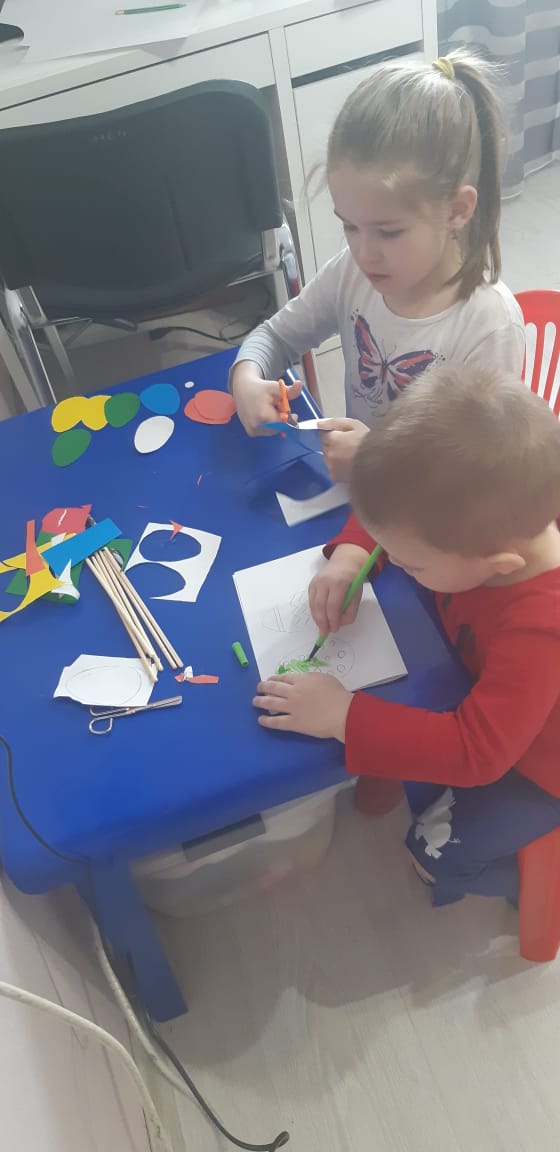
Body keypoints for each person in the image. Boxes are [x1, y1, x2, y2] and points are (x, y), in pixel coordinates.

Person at [252, 364, 560, 907]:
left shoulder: (541, 630)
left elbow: (477, 752)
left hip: (541, 764)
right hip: (484, 693)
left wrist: (342, 716)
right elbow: (397, 515)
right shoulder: (478, 530)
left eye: (410, 563)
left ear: (500, 564)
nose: (392, 561)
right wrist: (351, 557)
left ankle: (536, 892)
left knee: (430, 852)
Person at [231, 50, 525, 483]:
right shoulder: (351, 273)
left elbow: (487, 475)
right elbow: (275, 336)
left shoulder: (487, 326)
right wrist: (247, 378)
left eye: (388, 232)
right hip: (365, 496)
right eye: (349, 226)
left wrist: (379, 460)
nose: (364, 253)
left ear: (457, 210)